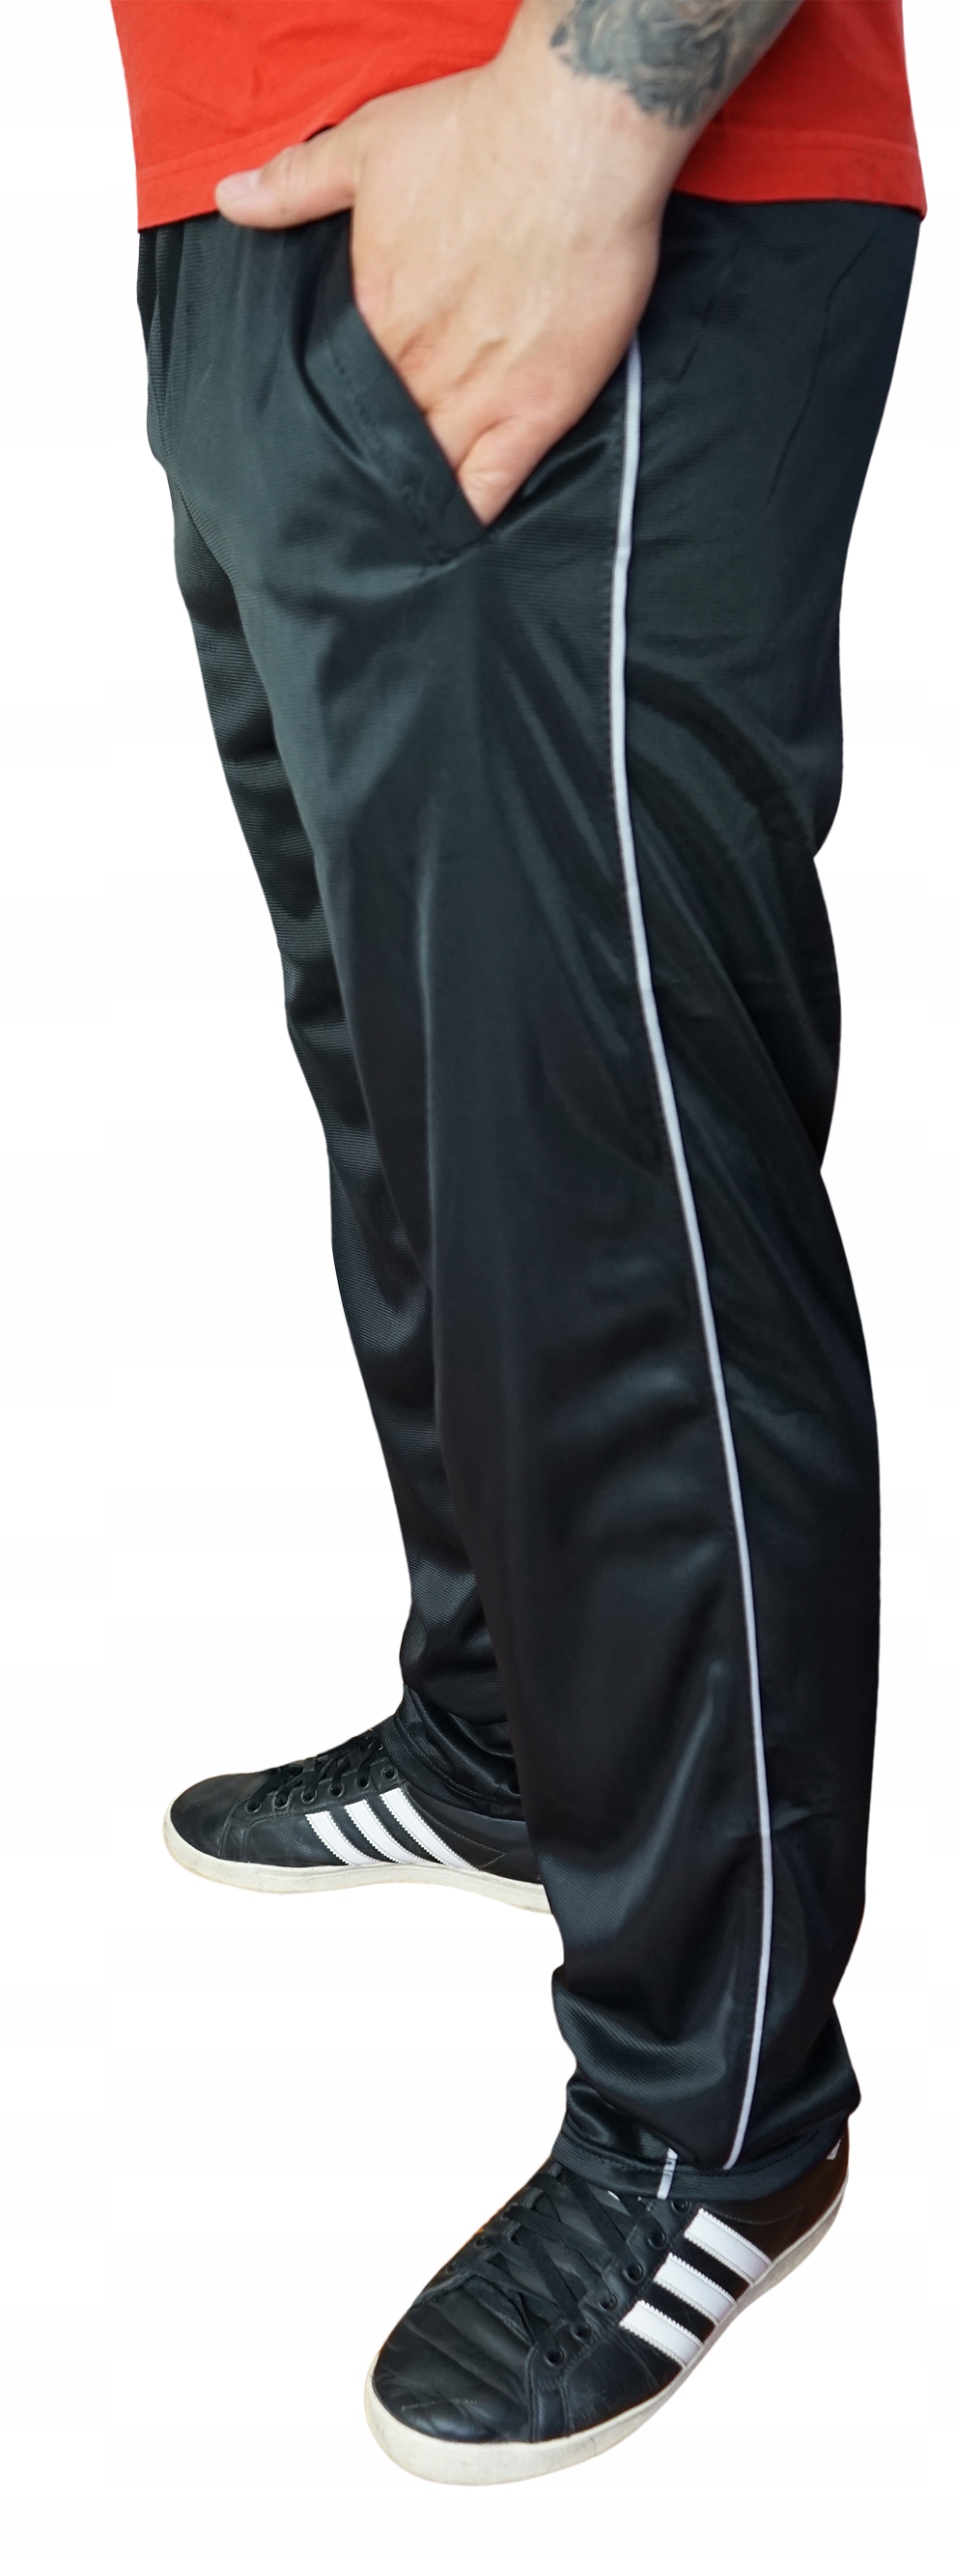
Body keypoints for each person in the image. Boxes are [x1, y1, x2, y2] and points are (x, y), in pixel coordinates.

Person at [110, 0, 924, 2484]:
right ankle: (501, 1735)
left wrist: (593, 114)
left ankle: (722, 2104)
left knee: (609, 1190)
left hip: (578, 165)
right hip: (254, 206)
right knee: (415, 1100)